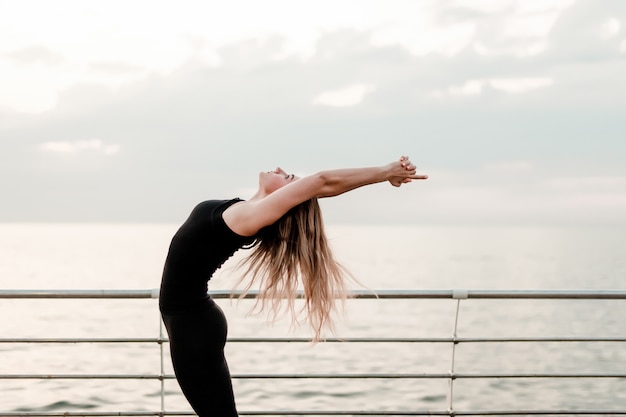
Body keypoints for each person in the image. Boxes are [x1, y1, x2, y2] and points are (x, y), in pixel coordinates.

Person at [158, 155, 427, 417]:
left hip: (193, 327)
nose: (278, 168)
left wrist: (386, 171)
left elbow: (322, 181)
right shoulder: (247, 209)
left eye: (288, 177)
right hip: (191, 322)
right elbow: (322, 186)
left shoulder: (250, 217)